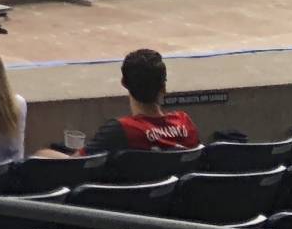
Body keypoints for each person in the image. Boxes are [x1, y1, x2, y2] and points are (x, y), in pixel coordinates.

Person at [72, 48, 201, 155]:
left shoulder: (120, 130)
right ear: (163, 87)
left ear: (124, 83)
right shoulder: (184, 122)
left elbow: (75, 164)